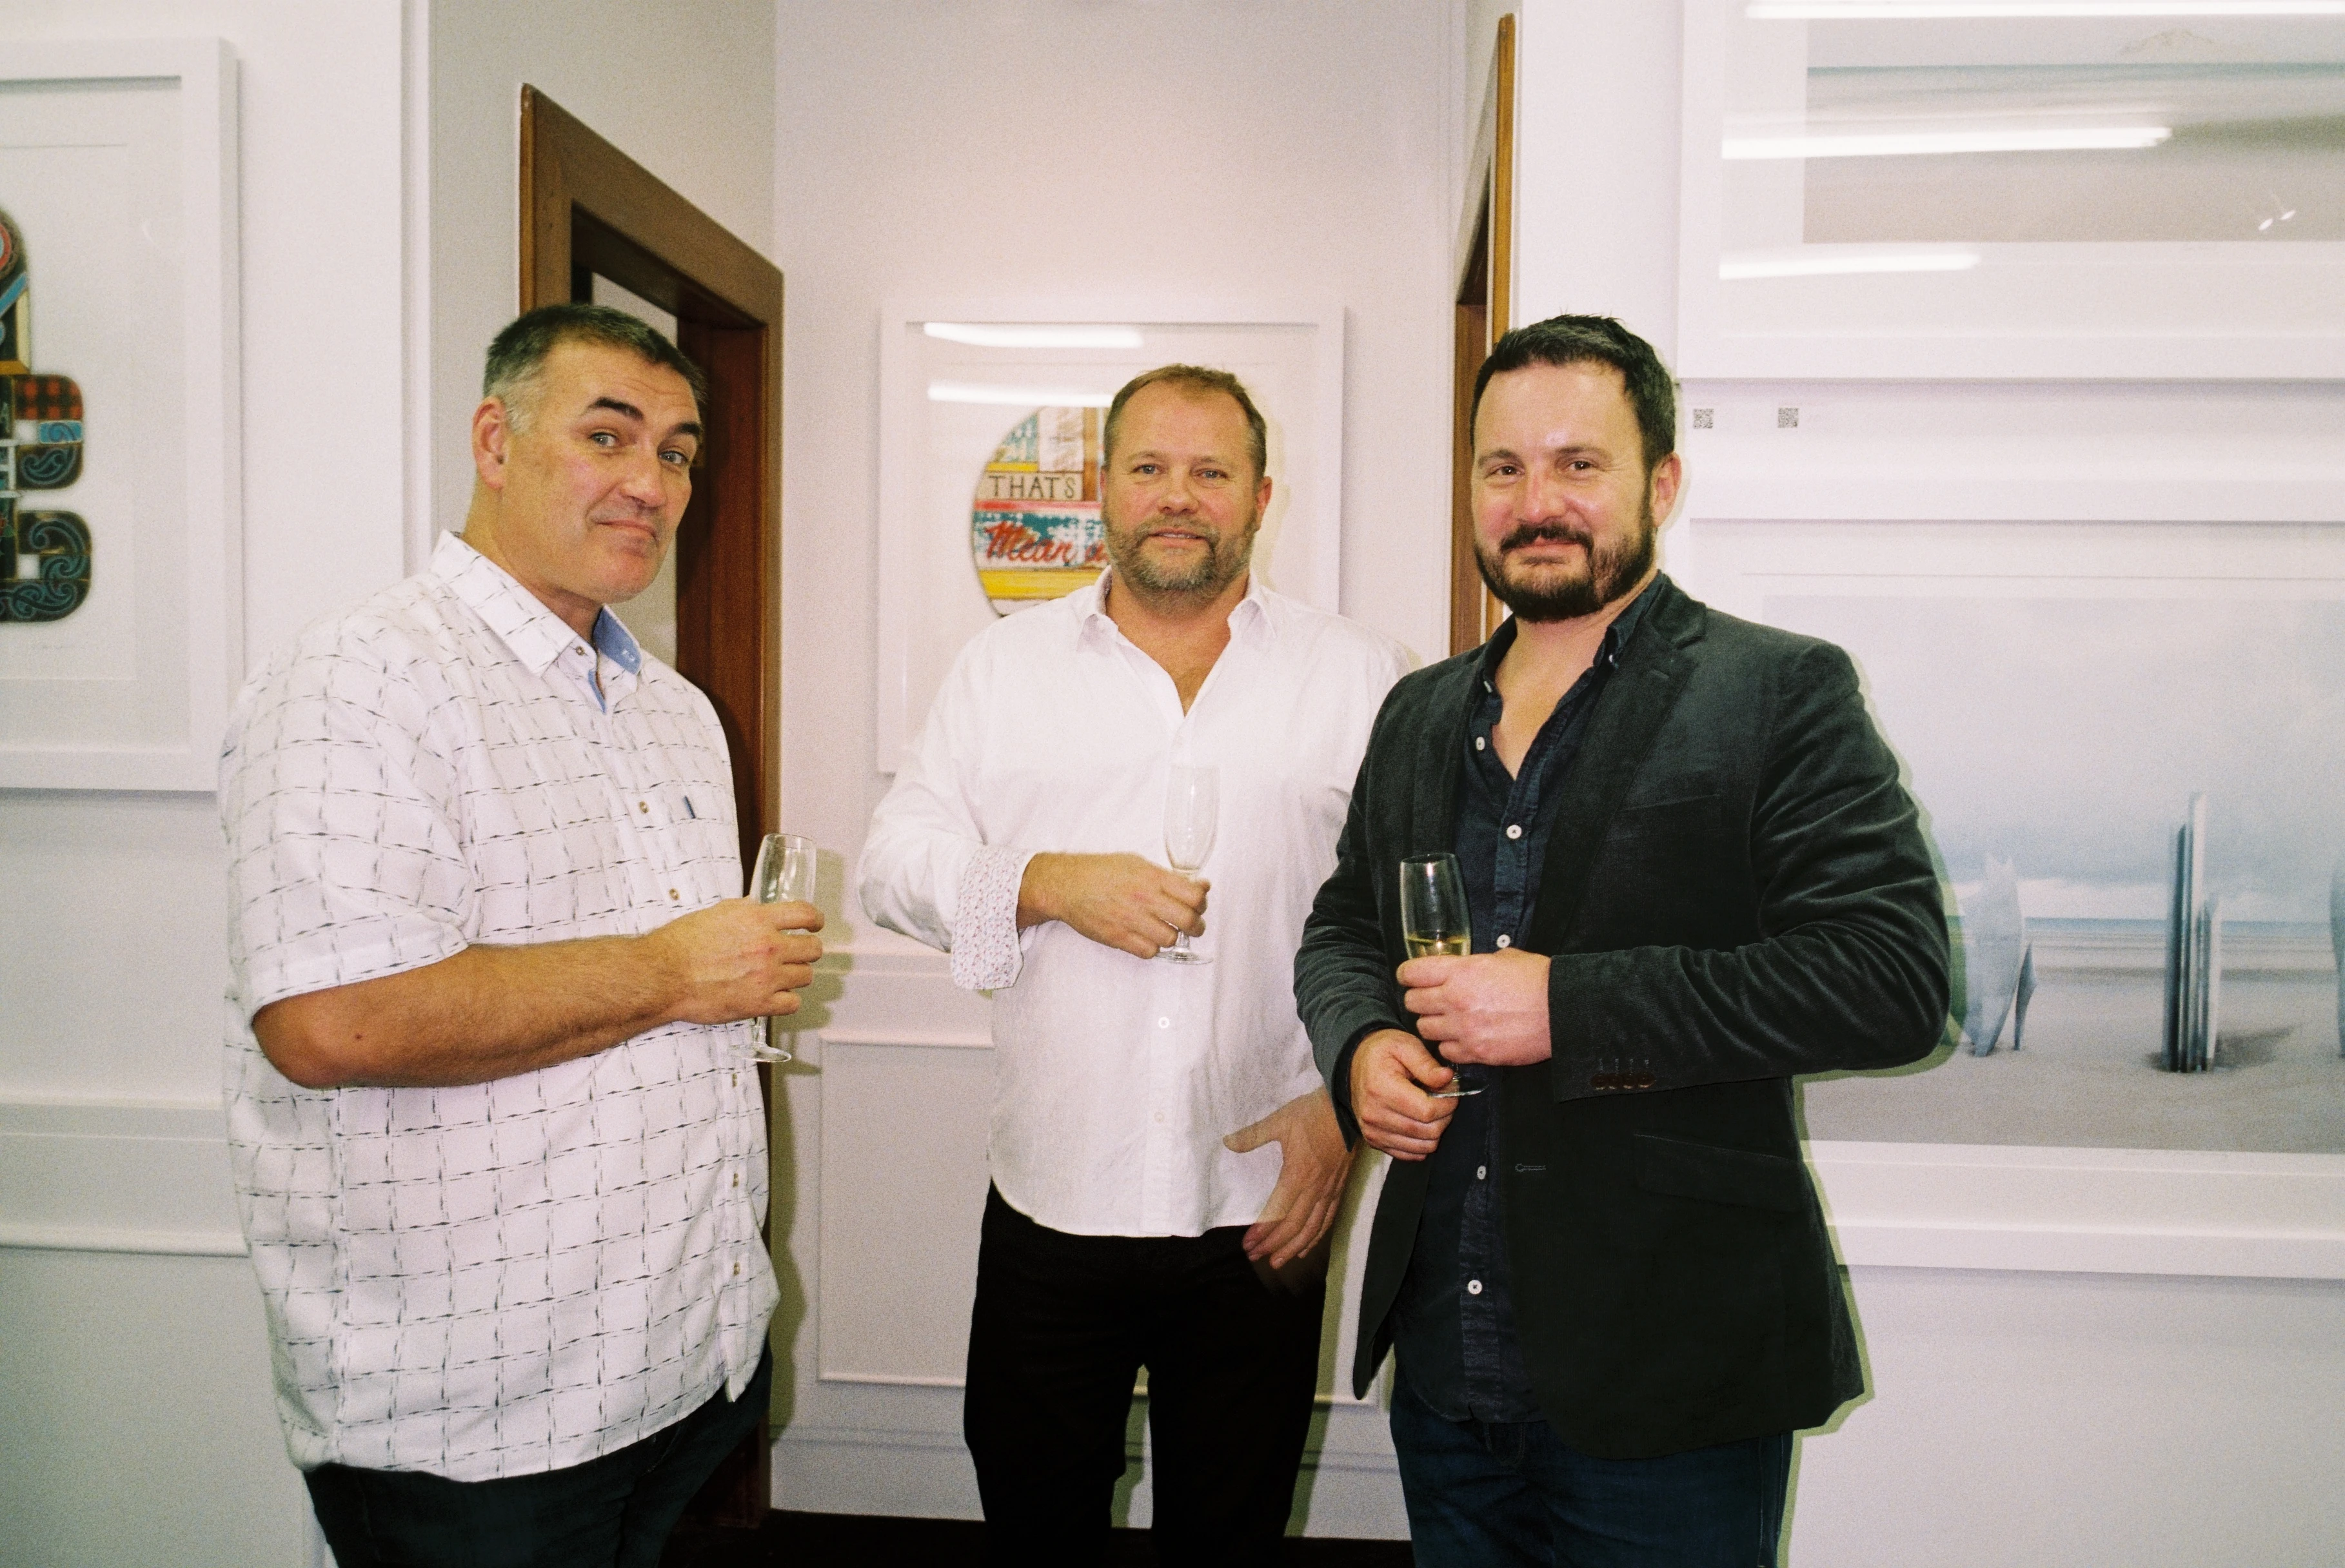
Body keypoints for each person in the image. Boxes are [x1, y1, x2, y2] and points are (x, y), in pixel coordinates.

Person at [1294, 315, 1950, 1567]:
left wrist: (1570, 1010)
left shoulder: (1779, 692)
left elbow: (1893, 978)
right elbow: (1341, 927)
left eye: (1577, 464)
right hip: (1445, 1376)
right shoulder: (1419, 712)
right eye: (1503, 468)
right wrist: (1362, 1042)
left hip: (1674, 1389)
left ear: (1661, 482)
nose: (1537, 501)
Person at [218, 303, 822, 1567]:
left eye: (676, 452)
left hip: (676, 1368)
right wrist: (674, 973)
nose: (651, 482)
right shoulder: (363, 677)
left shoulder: (678, 715)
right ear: (496, 439)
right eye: (609, 436)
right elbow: (331, 1020)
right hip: (477, 1420)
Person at [857, 364, 1410, 1565]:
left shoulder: (1364, 678)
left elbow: (1419, 924)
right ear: (1100, 489)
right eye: (1149, 468)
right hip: (1056, 1195)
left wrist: (1339, 1117)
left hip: (1263, 1195)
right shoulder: (1001, 672)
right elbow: (890, 866)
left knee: (1234, 1528)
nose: (1178, 497)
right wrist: (1042, 881)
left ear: (1263, 496)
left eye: (1210, 472)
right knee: (1037, 1519)